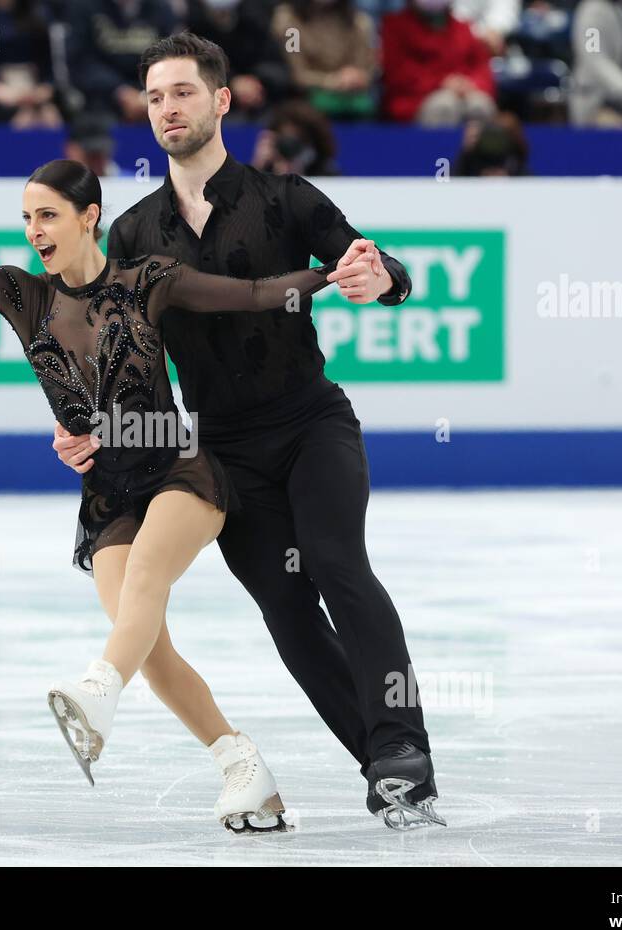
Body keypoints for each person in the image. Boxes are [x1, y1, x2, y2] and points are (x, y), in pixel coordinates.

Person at [0, 163, 345, 833]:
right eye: (26, 218)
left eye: (47, 215)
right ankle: (244, 769)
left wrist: (334, 272)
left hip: (181, 472)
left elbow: (256, 293)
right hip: (108, 495)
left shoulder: (148, 280)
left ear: (89, 216)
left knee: (143, 579)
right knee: (147, 644)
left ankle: (96, 691)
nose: (33, 232)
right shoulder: (25, 299)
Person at [50, 32, 444, 830]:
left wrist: (382, 277)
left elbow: (380, 267)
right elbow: (111, 355)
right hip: (222, 452)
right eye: (156, 96)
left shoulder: (288, 199)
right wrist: (91, 427)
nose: (168, 108)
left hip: (311, 425)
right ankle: (380, 764)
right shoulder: (131, 235)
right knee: (287, 611)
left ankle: (403, 749)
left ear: (221, 101)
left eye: (184, 92)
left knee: (336, 561)